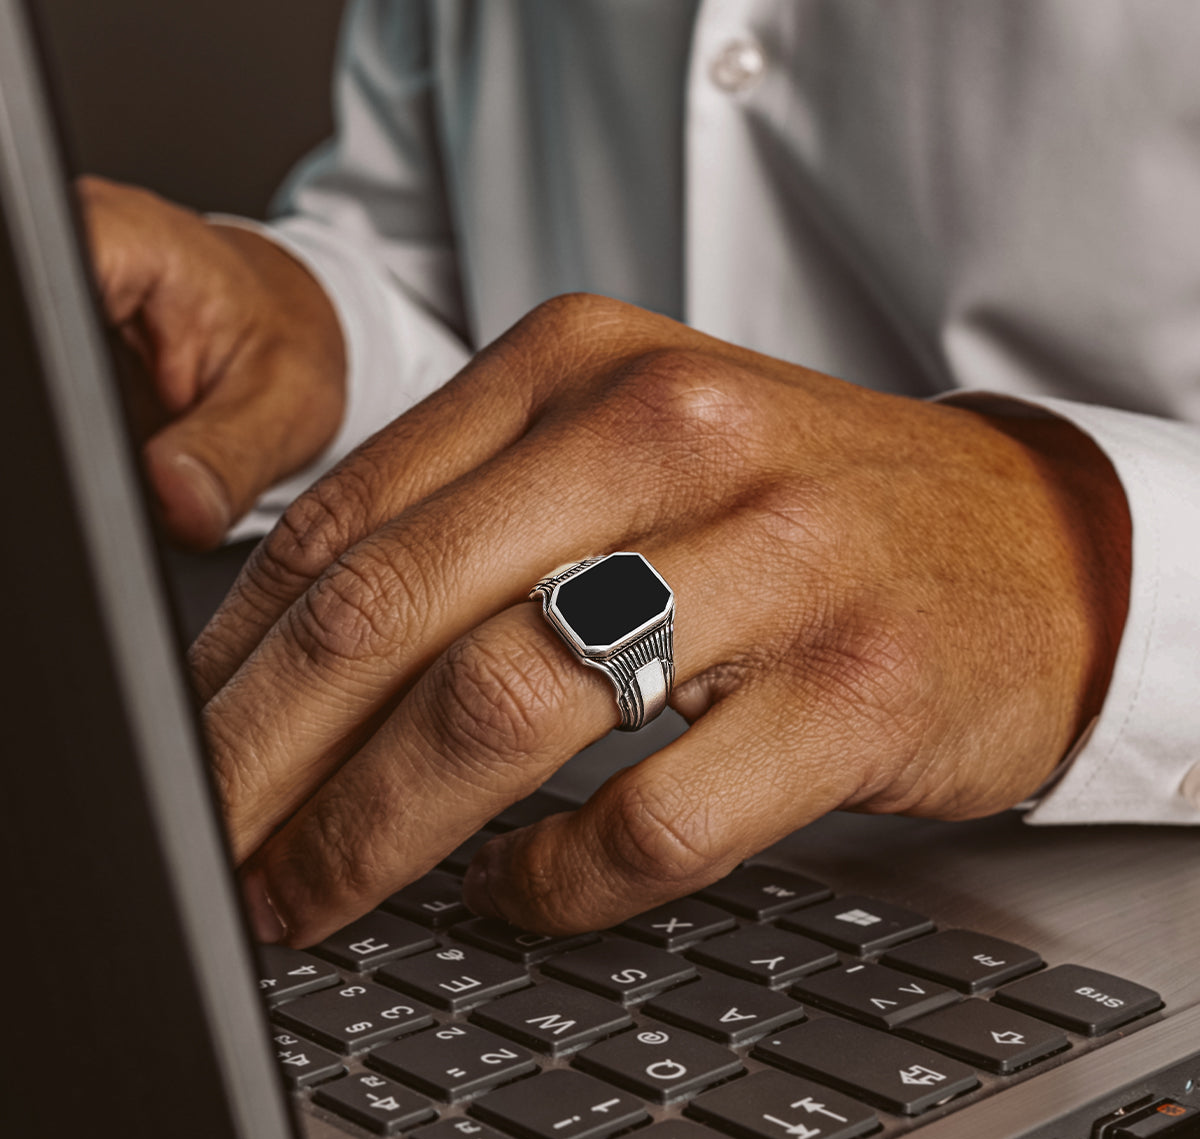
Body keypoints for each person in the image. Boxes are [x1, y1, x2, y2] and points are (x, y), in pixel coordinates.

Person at [79, 1, 1200, 948]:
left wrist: (1089, 580)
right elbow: (455, 280)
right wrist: (328, 338)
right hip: (497, 794)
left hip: (1084, 884)